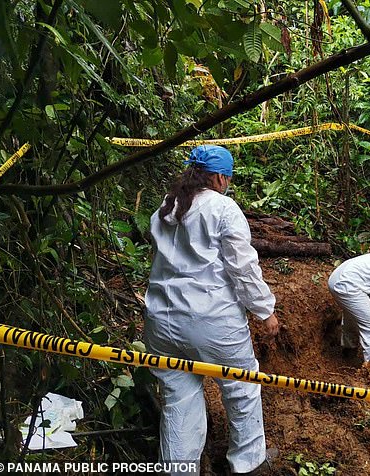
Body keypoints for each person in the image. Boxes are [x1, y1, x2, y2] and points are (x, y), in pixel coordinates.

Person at [144, 145, 279, 476]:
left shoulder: (164, 207)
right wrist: (265, 310)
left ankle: (179, 469)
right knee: (241, 385)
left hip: (161, 321)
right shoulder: (224, 209)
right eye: (228, 178)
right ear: (220, 177)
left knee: (179, 397)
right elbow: (243, 270)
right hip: (213, 321)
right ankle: (248, 464)